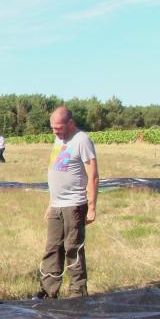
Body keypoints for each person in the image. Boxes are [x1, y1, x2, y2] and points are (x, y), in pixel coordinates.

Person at [34, 106, 98, 299]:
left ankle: (77, 292)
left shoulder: (82, 140)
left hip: (74, 204)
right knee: (52, 248)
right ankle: (48, 290)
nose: (55, 131)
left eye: (59, 127)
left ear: (71, 123)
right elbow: (58, 169)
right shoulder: (59, 139)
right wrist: (51, 203)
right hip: (57, 205)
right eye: (53, 128)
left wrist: (92, 205)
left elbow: (93, 175)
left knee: (72, 248)